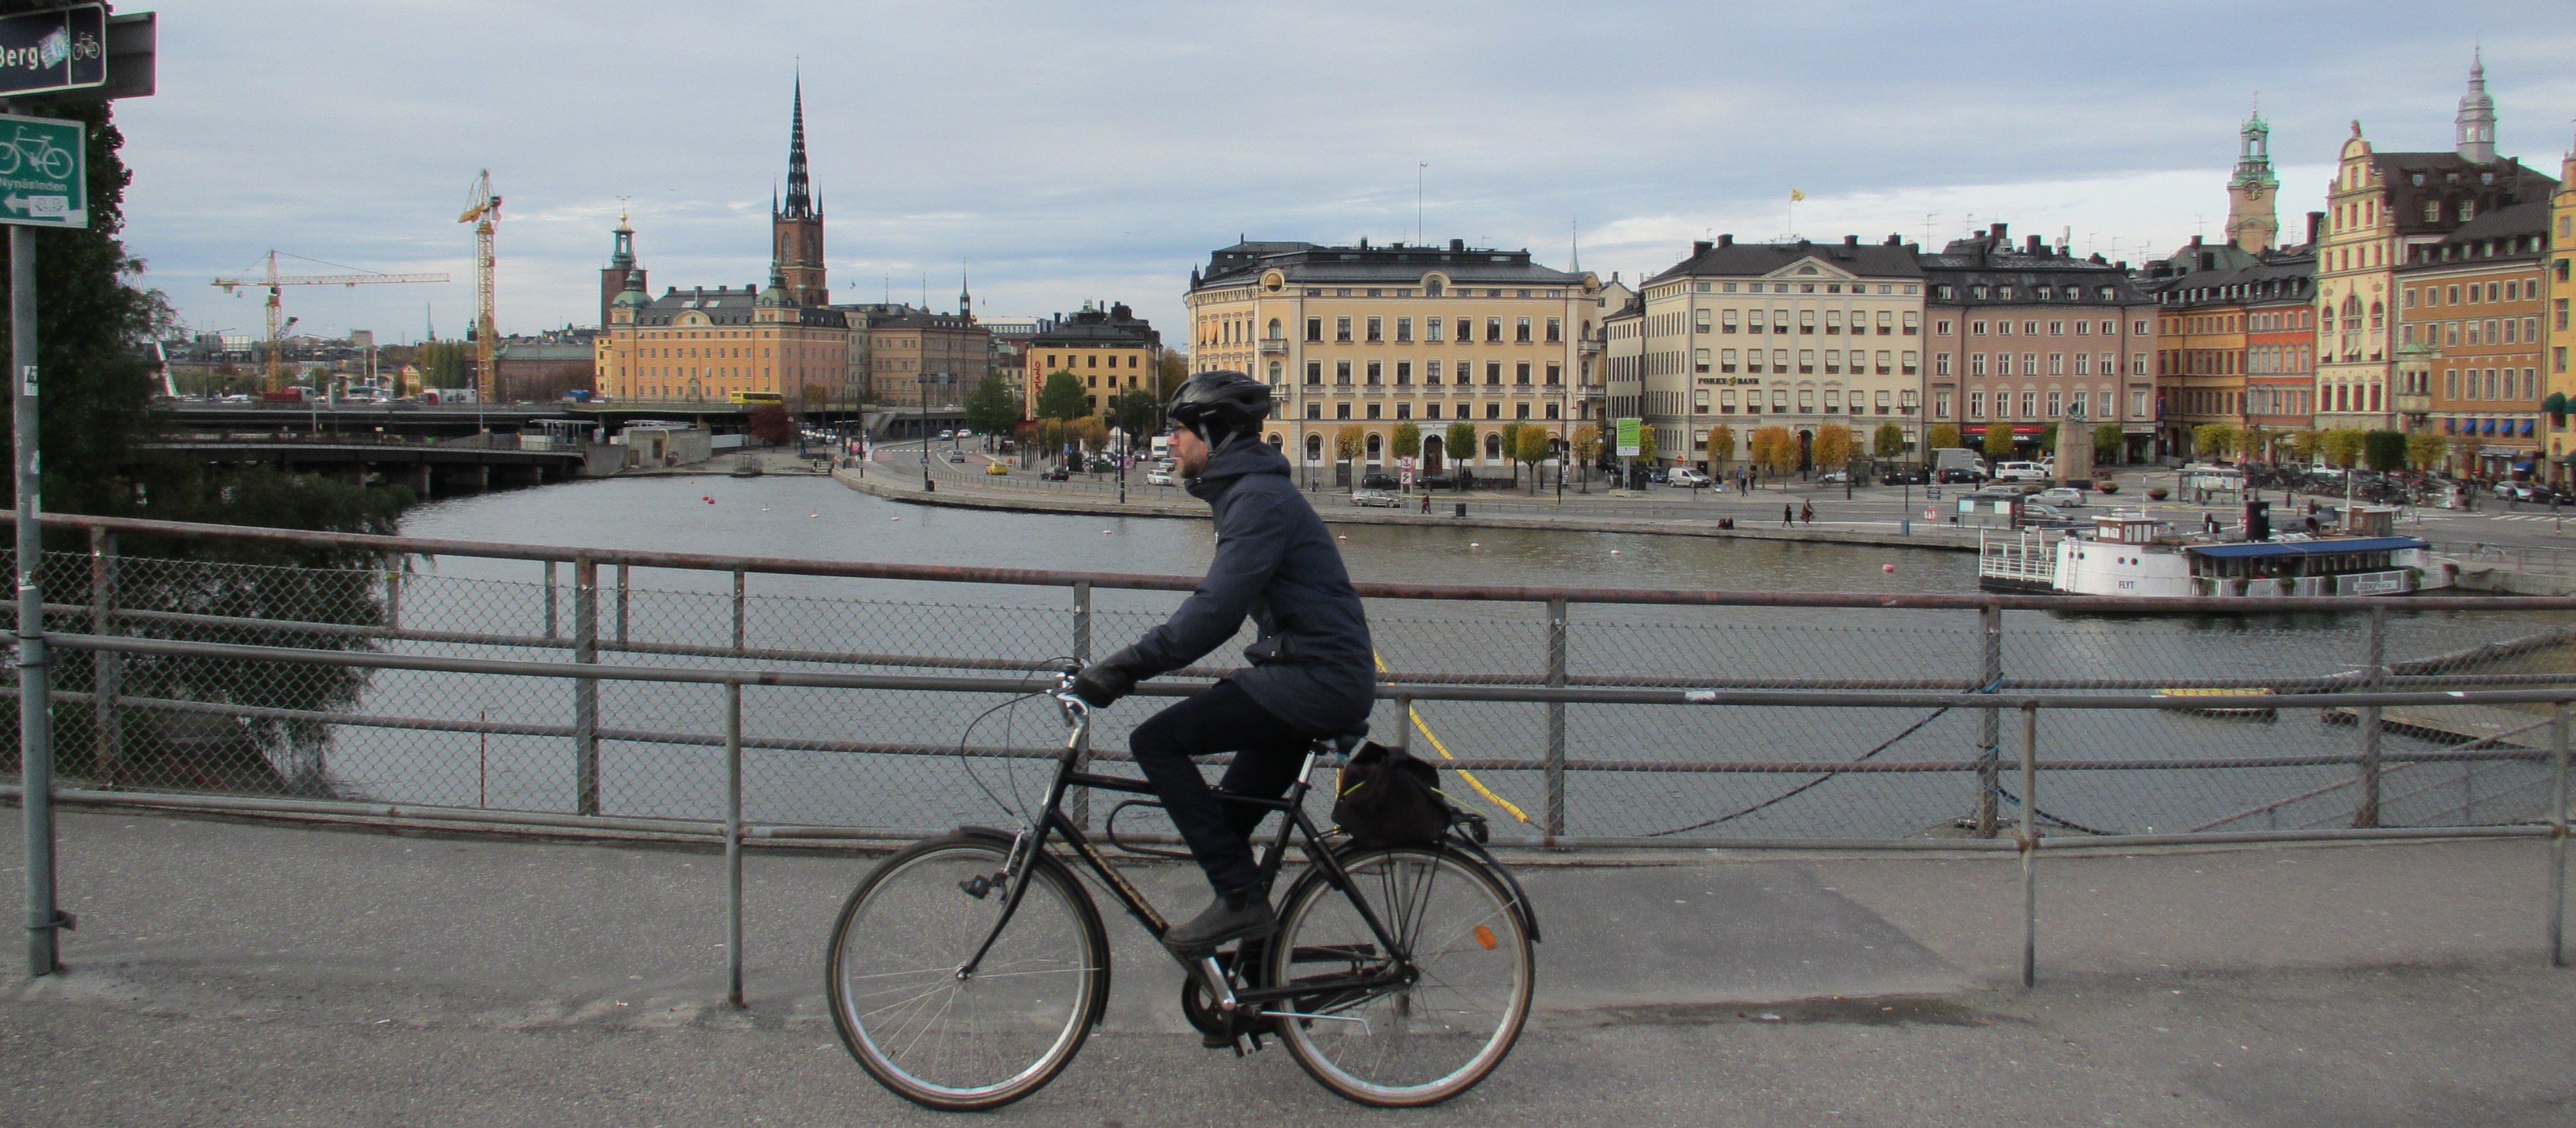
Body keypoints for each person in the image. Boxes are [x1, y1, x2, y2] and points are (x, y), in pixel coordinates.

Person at [1069, 371, 1375, 950]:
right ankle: (1256, 985)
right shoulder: (1247, 493)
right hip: (1308, 676)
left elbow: (1216, 612)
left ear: (1217, 434)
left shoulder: (1257, 500)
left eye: (1181, 431)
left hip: (1317, 681)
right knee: (1228, 828)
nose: (1171, 444)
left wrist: (1125, 667)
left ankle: (1241, 905)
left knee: (1155, 742)